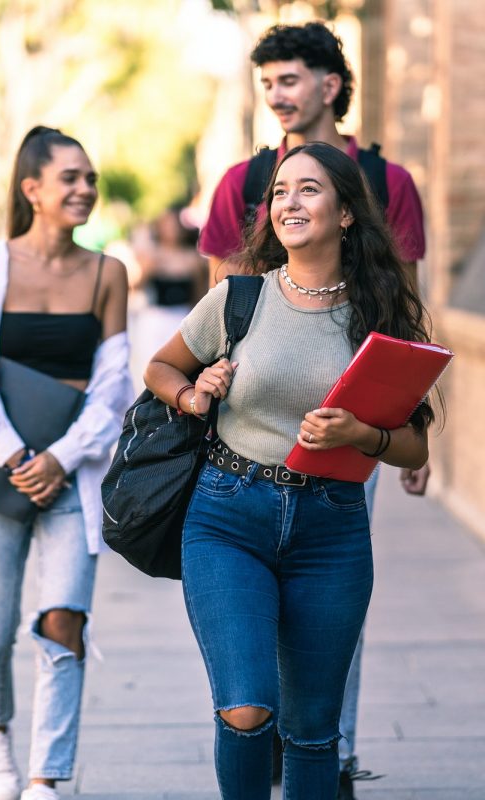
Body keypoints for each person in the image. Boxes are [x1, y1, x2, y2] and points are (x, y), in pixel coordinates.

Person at [144, 141, 436, 800]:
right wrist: (195, 394)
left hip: (331, 531)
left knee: (312, 732)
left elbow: (415, 448)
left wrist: (361, 433)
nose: (288, 202)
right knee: (246, 709)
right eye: (279, 191)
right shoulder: (239, 299)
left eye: (308, 190)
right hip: (227, 518)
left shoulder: (379, 316)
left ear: (345, 214)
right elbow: (160, 367)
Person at [197, 22, 430, 795]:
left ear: (330, 84)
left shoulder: (389, 182)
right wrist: (212, 380)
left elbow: (405, 310)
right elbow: (218, 304)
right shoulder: (240, 182)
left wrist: (390, 428)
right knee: (250, 692)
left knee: (322, 662)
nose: (276, 95)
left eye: (289, 79)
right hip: (241, 468)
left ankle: (333, 758)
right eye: (265, 83)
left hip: (337, 471)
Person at [0, 126, 132, 800]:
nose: (85, 188)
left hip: (72, 476)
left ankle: (45, 779)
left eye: (89, 177)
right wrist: (17, 457)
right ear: (32, 190)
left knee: (64, 623)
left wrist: (58, 459)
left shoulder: (106, 272)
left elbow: (114, 386)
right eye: (70, 178)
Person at [128, 205, 207, 390]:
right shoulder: (152, 255)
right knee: (149, 363)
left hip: (181, 318)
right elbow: (136, 286)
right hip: (155, 318)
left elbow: (199, 294)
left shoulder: (192, 258)